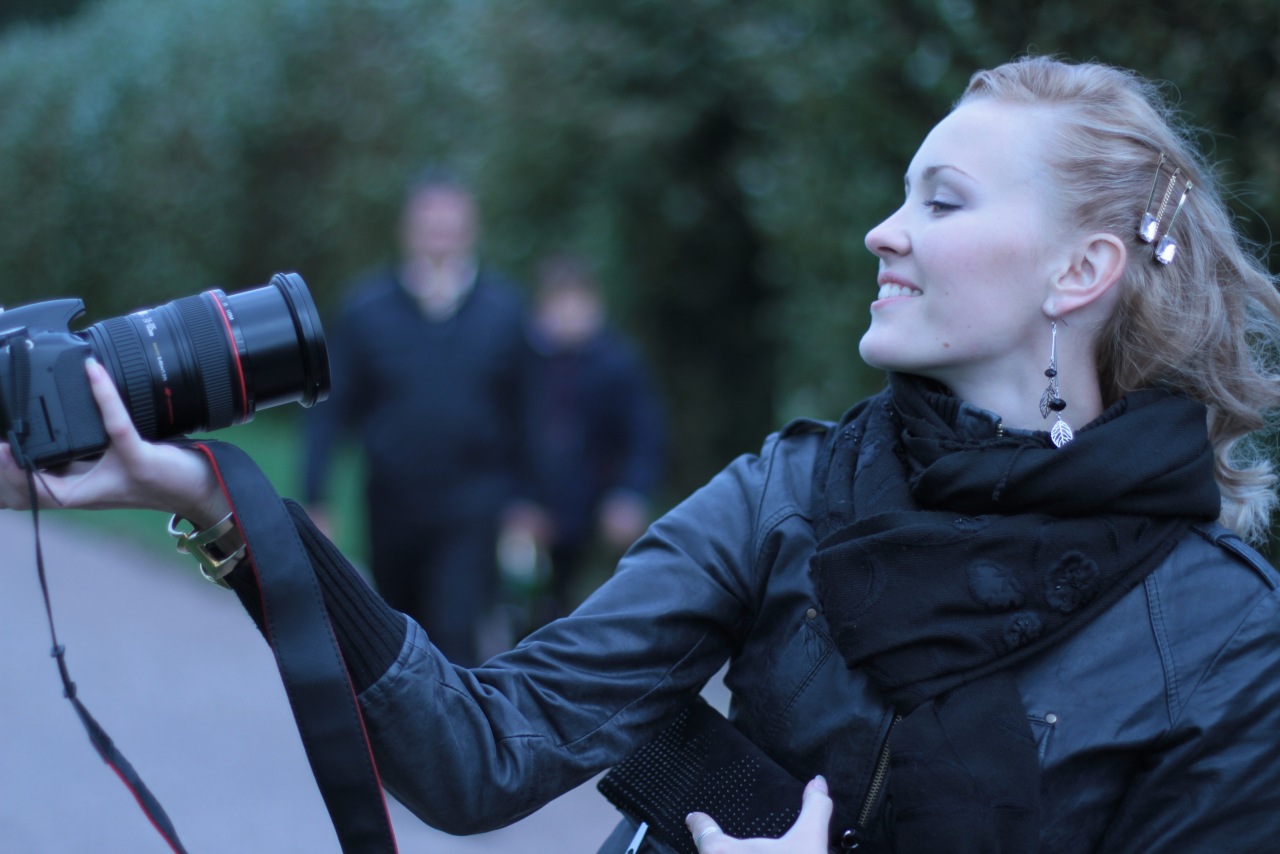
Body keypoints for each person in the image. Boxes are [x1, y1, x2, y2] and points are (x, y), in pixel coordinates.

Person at [5, 55, 1280, 853]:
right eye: (899, 191)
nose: (880, 231)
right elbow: (477, 753)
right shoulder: (788, 495)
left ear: (1078, 270)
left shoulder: (1225, 641)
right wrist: (212, 493)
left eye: (940, 201)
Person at [302, 170, 537, 666]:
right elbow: (331, 409)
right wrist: (317, 496)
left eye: (452, 228)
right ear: (407, 230)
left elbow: (527, 414)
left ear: (471, 231)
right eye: (430, 227)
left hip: (473, 501)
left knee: (456, 630)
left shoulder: (504, 311)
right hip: (392, 502)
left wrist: (527, 500)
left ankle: (457, 718)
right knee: (398, 634)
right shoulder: (366, 310)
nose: (441, 239)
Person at [510, 252, 667, 625]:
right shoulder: (522, 364)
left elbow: (645, 436)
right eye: (557, 303)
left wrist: (630, 494)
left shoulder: (617, 363)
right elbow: (506, 437)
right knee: (530, 607)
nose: (568, 314)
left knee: (596, 607)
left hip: (596, 508)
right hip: (536, 509)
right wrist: (518, 501)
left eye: (577, 302)